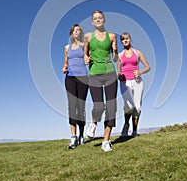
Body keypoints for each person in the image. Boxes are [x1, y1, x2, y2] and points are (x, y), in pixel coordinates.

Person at [84, 10, 118, 152]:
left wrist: (115, 51)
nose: (98, 20)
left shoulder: (111, 36)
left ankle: (106, 140)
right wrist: (86, 58)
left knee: (111, 107)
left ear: (104, 20)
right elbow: (85, 54)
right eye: (95, 19)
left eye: (100, 18)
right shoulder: (87, 36)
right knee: (99, 106)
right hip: (94, 74)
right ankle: (93, 123)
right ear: (92, 22)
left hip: (110, 73)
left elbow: (115, 59)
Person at [117, 32, 150, 137]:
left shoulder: (138, 53)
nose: (125, 40)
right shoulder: (120, 55)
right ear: (121, 42)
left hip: (137, 82)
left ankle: (134, 131)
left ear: (130, 39)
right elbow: (118, 71)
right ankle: (126, 125)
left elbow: (147, 67)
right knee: (129, 106)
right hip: (125, 82)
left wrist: (140, 72)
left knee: (137, 107)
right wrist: (119, 76)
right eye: (123, 39)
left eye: (127, 38)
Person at [62, 24, 88, 149]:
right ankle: (73, 137)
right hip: (70, 78)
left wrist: (88, 59)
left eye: (78, 30)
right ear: (71, 34)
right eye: (74, 30)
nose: (76, 32)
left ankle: (82, 134)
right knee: (71, 106)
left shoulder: (84, 46)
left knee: (80, 106)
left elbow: (88, 58)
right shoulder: (67, 48)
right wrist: (64, 67)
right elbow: (66, 62)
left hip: (83, 77)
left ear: (81, 33)